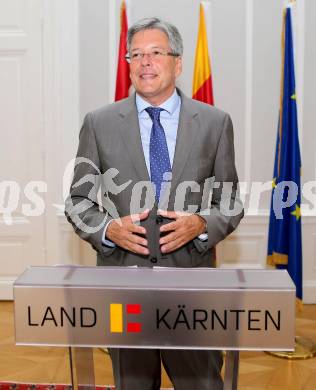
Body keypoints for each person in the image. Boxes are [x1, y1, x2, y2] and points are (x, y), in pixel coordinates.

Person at [65, 17, 243, 390]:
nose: (145, 62)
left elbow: (229, 201)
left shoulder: (214, 122)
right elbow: (79, 201)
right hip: (124, 288)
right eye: (136, 55)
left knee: (201, 384)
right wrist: (107, 228)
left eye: (156, 53)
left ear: (177, 63)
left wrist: (202, 224)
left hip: (193, 287)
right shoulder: (99, 123)